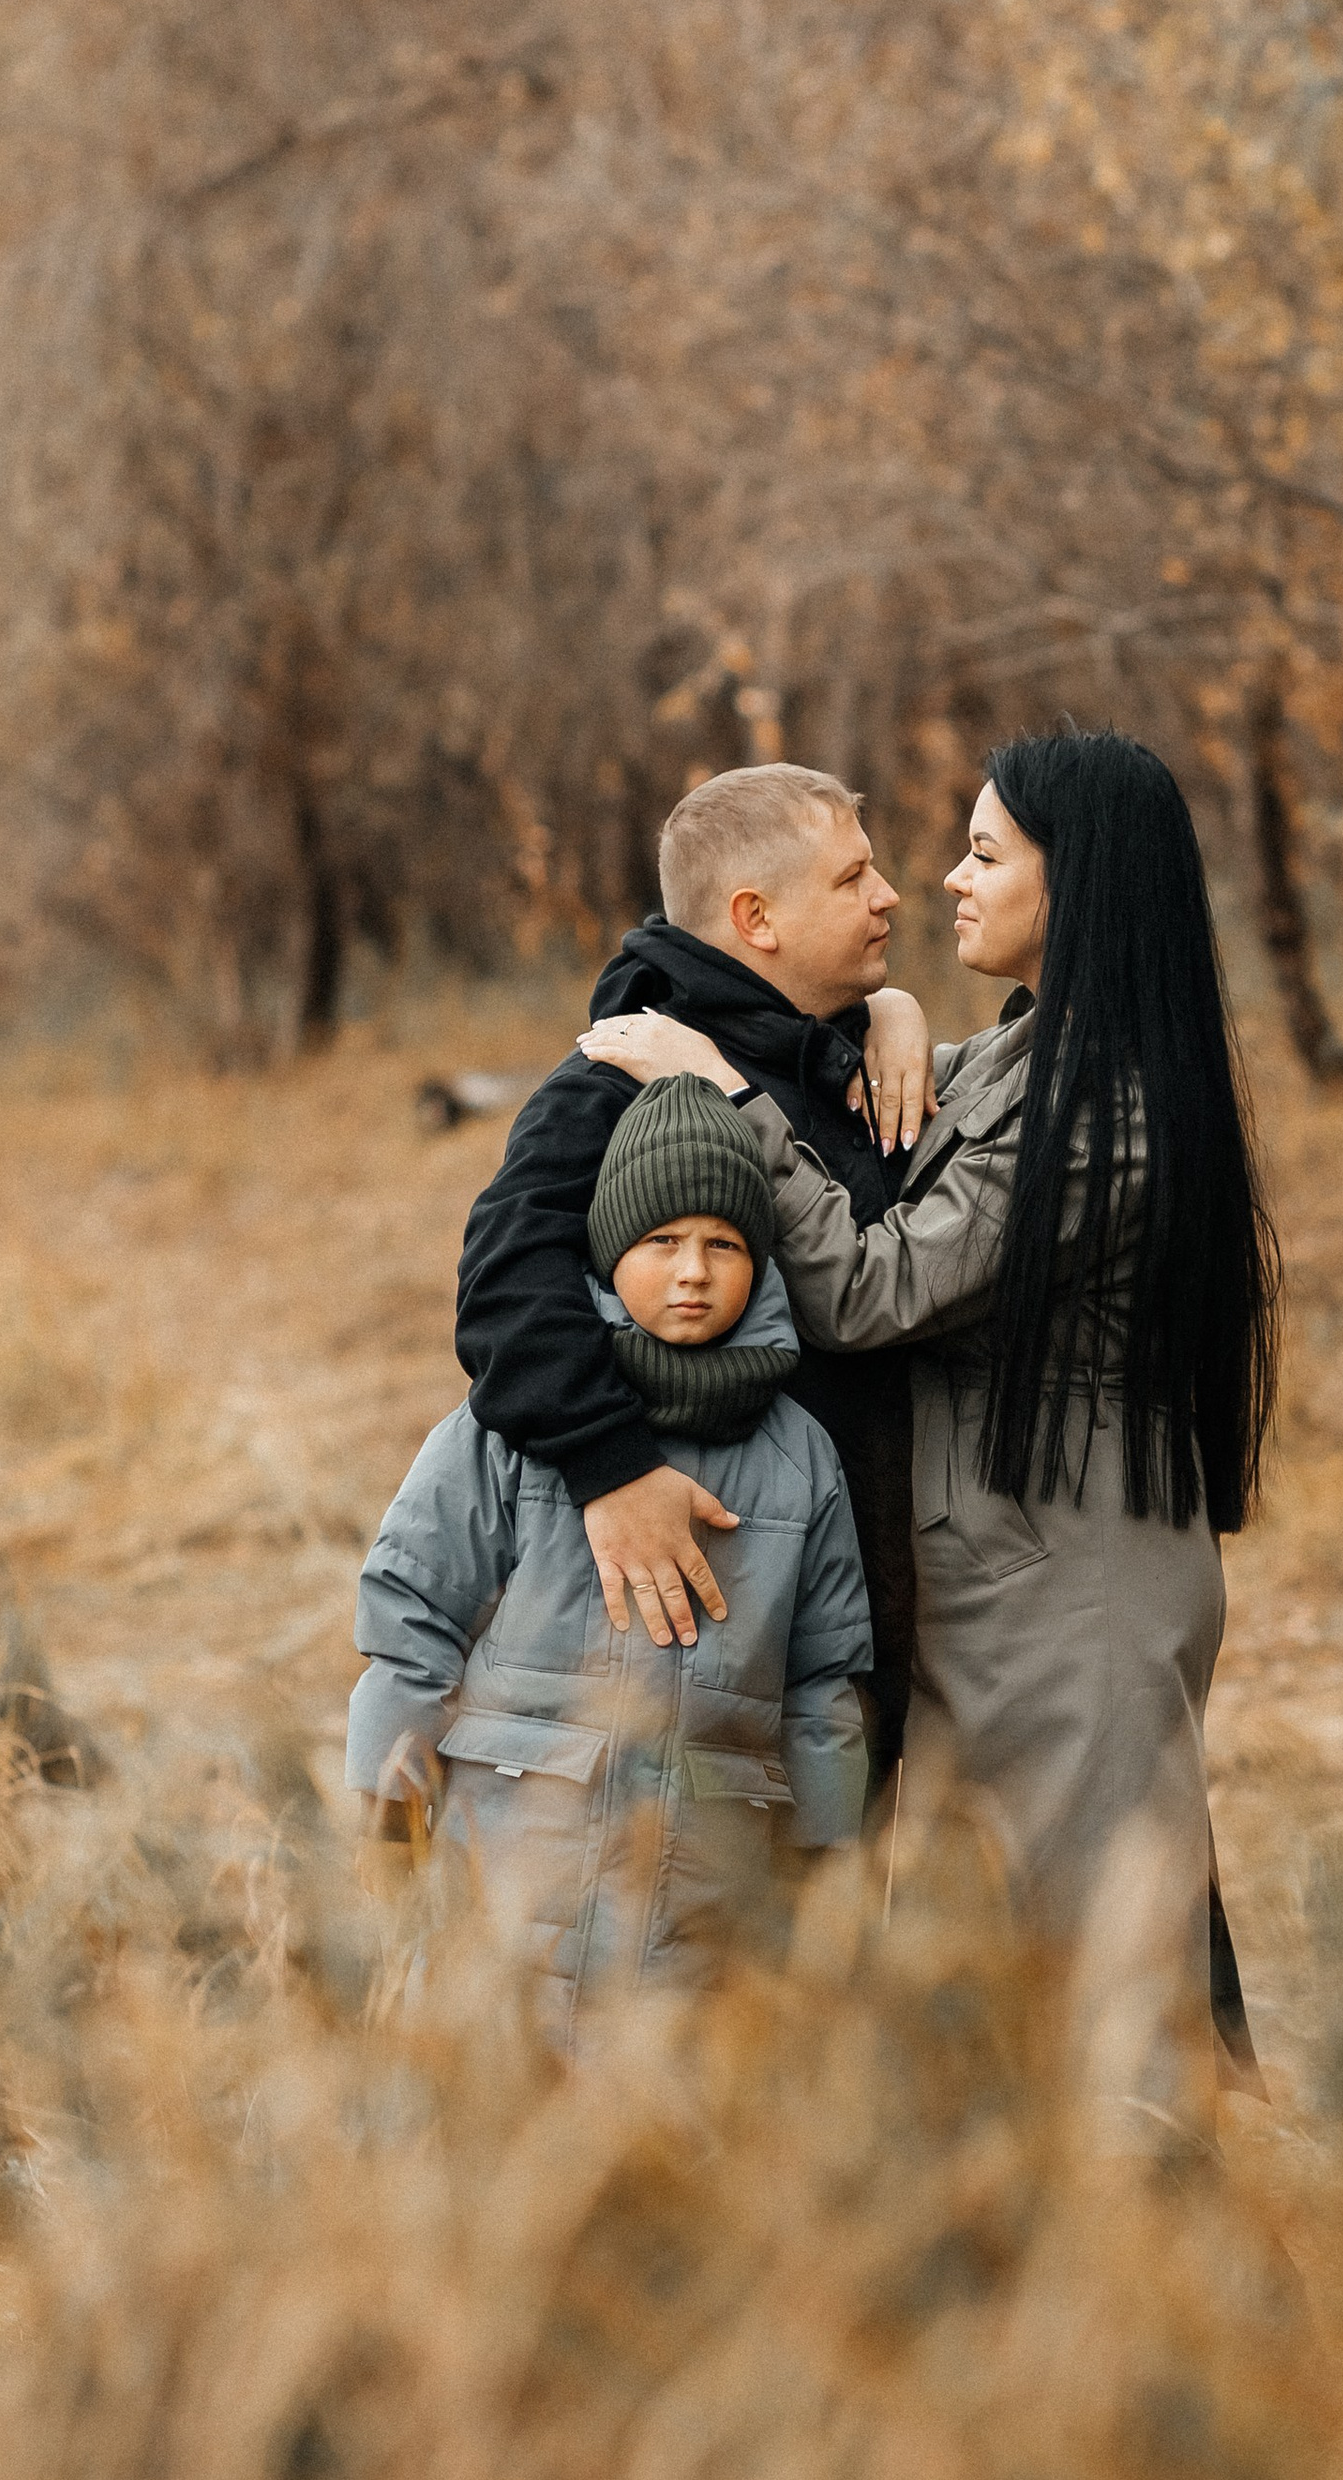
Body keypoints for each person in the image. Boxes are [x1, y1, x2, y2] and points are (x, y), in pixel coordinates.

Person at [580, 730, 1280, 2091]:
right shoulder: (1034, 1059)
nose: (946, 884)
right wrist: (889, 1013)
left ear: (1071, 889)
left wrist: (719, 1092)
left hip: (1073, 1596)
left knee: (1102, 2000)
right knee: (1000, 1979)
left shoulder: (1108, 1109)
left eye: (983, 854)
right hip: (1010, 1585)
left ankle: (1197, 2279)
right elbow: (872, 1111)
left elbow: (874, 1284)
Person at [348, 1076, 871, 2049]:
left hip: (702, 1911)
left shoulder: (800, 1455)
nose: (693, 1272)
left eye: (723, 1245)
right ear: (607, 1249)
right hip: (509, 1879)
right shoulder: (517, 1425)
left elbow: (821, 1688)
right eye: (661, 1242)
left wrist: (825, 1860)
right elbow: (410, 1627)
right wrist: (387, 1817)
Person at [454, 763, 933, 1763]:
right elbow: (504, 1282)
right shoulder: (626, 1079)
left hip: (846, 1629)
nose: (888, 896)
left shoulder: (827, 1057)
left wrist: (894, 1011)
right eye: (852, 880)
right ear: (756, 919)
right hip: (703, 1614)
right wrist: (611, 1467)